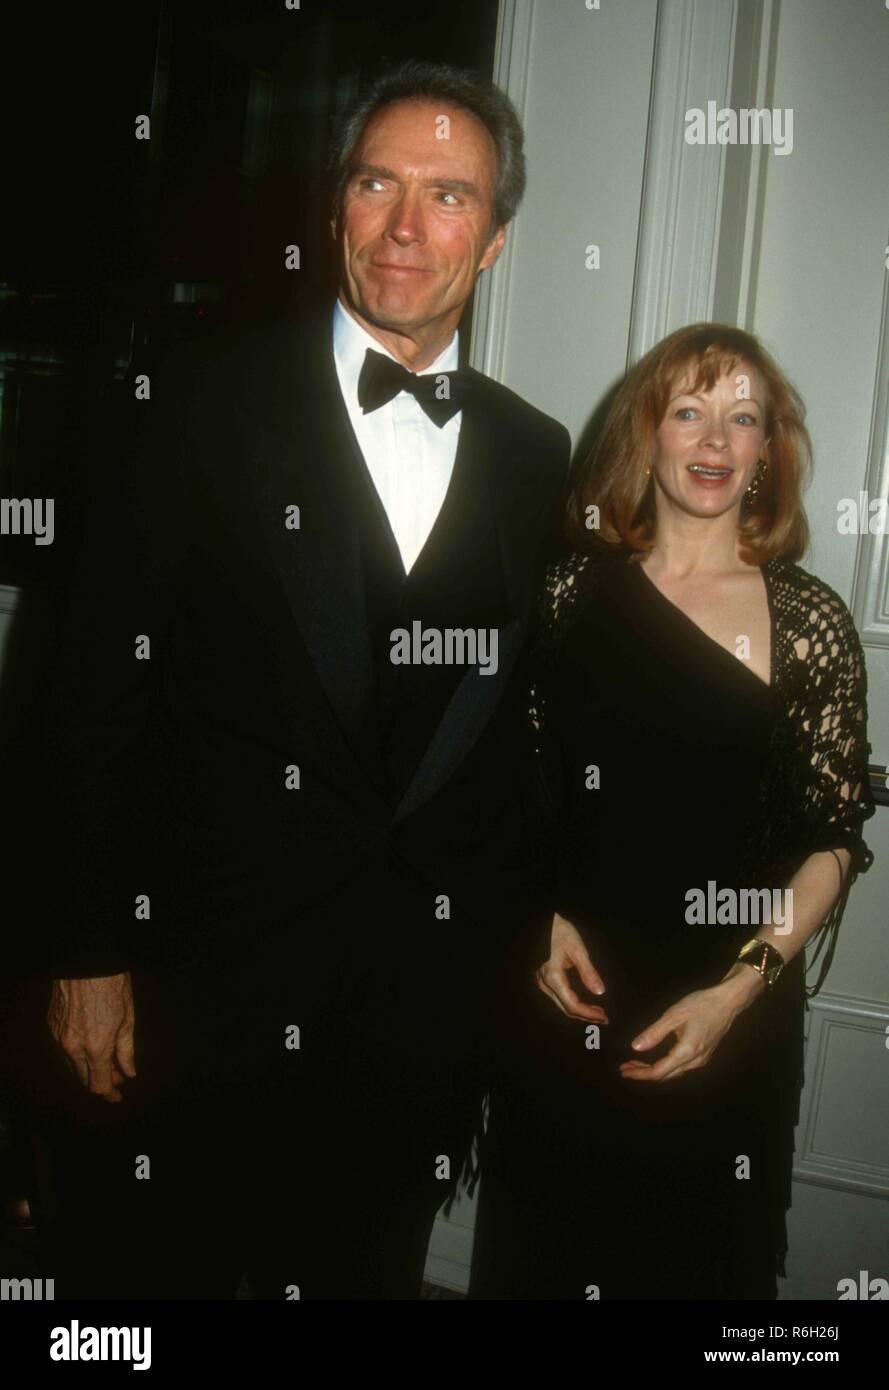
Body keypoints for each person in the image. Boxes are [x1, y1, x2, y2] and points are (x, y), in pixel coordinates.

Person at [41, 59, 570, 1300]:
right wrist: (81, 951)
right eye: (376, 183)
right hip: (195, 995)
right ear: (333, 209)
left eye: (449, 196)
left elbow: (520, 730)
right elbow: (84, 698)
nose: (403, 226)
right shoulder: (190, 409)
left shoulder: (537, 455)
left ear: (493, 242)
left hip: (412, 1015)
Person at [469, 323, 876, 1301]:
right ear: (644, 432)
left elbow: (832, 840)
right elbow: (518, 786)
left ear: (767, 452)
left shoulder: (808, 621)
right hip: (570, 996)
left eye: (743, 418)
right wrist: (543, 919)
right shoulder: (568, 591)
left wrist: (736, 991)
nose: (713, 438)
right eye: (687, 410)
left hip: (725, 1013)